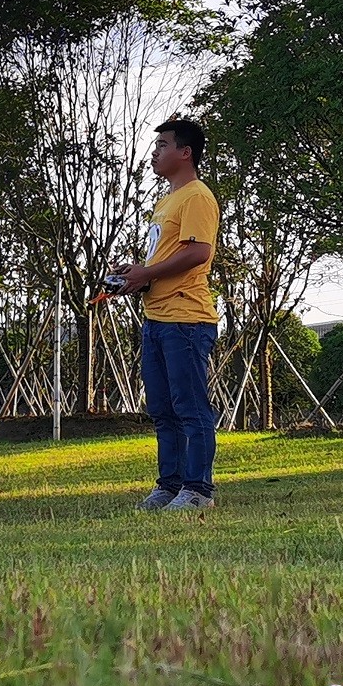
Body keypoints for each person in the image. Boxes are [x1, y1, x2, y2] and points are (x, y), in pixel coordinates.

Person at [115, 118, 220, 511]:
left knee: (191, 408)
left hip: (186, 319)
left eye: (162, 145)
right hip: (156, 317)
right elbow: (165, 256)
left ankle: (198, 491)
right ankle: (170, 486)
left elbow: (198, 253)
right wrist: (138, 276)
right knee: (162, 409)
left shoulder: (196, 196)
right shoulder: (166, 201)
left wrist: (148, 273)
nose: (155, 152)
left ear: (185, 152)